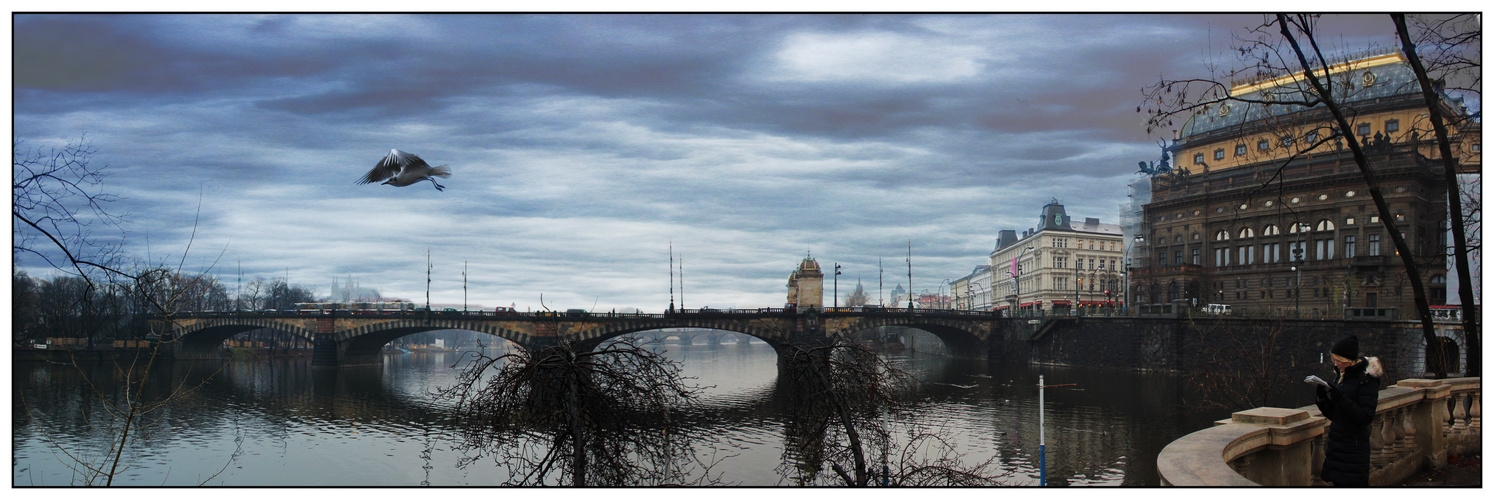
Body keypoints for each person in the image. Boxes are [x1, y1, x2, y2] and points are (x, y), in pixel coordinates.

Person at [1315, 335, 1383, 486]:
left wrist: (1340, 398)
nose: (1336, 365)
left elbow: (1365, 416)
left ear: (1349, 360)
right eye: (1335, 361)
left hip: (1353, 450)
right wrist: (1322, 399)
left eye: (1339, 361)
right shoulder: (1342, 377)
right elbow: (1337, 415)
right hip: (1338, 448)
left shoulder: (1366, 380)